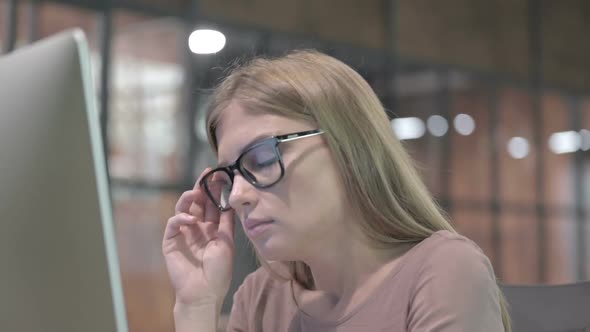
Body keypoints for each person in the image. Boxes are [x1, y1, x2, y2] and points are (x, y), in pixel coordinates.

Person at [162, 50, 511, 332]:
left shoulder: (442, 270)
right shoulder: (262, 298)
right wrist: (198, 306)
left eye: (264, 158)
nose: (237, 196)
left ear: (349, 148)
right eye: (231, 174)